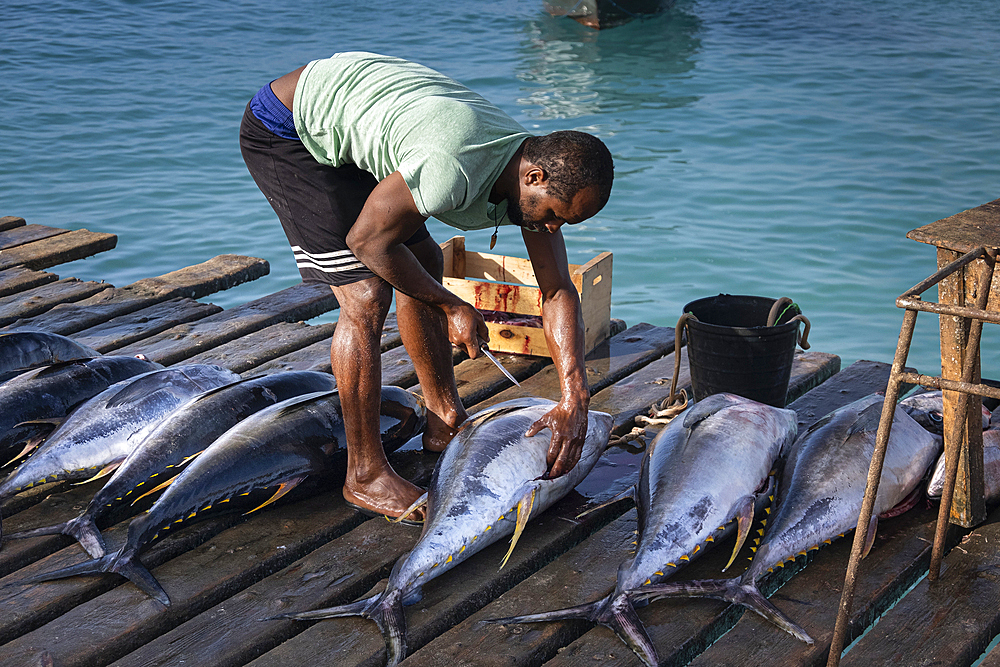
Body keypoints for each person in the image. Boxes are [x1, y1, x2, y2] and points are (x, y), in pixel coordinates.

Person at [239, 52, 614, 524]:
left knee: (426, 259)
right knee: (366, 294)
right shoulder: (453, 168)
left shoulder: (528, 171)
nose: (555, 226)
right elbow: (367, 243)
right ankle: (364, 475)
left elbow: (557, 288)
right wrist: (451, 306)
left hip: (361, 113)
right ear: (534, 176)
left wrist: (574, 392)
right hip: (288, 128)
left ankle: (443, 418)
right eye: (556, 213)